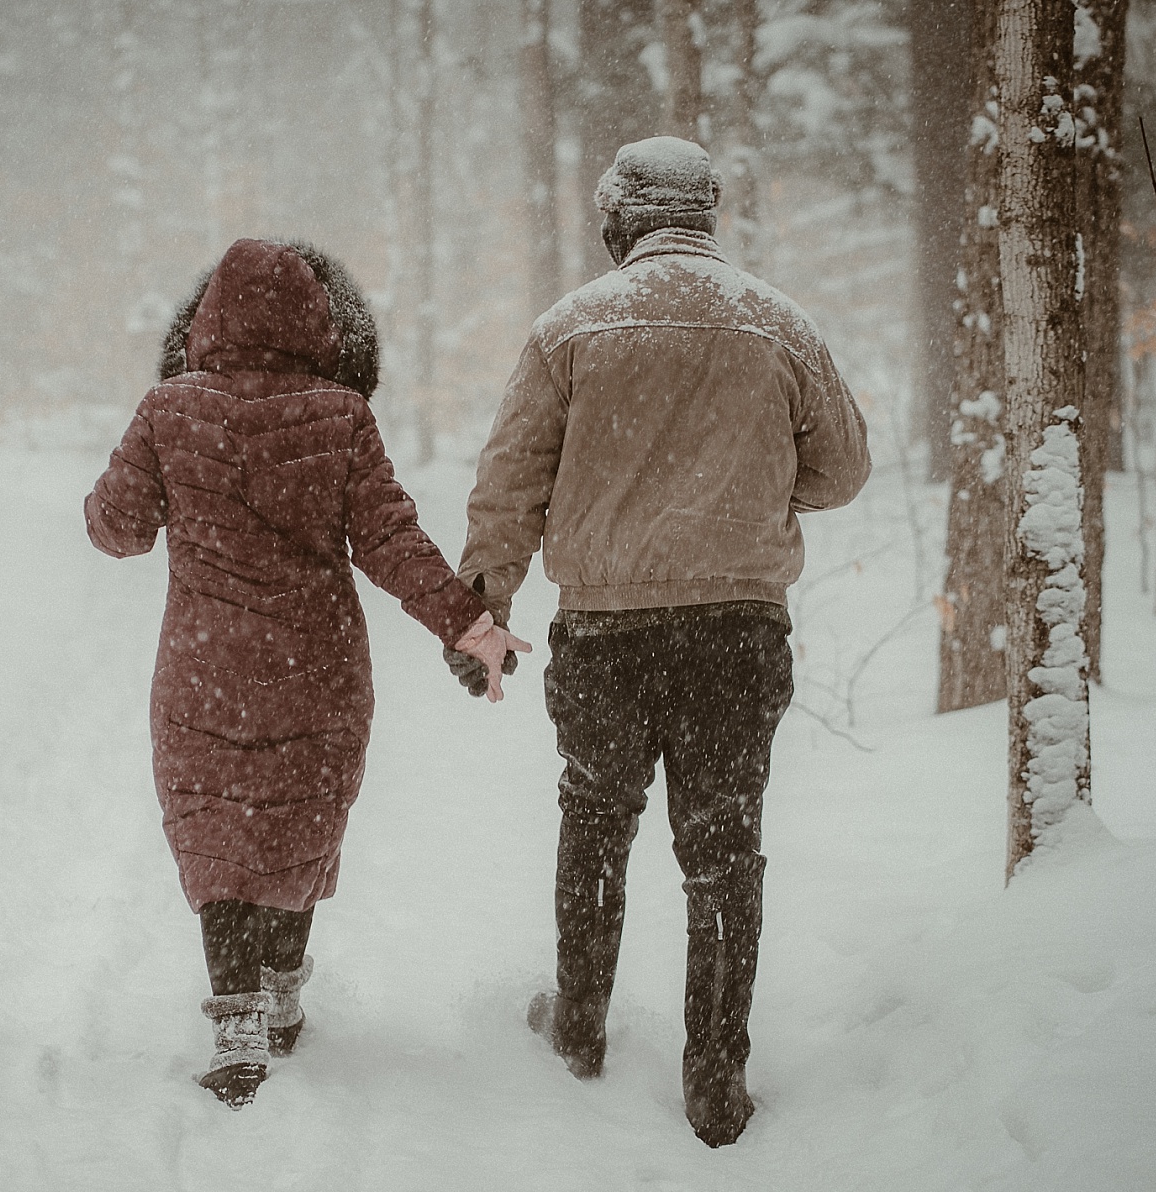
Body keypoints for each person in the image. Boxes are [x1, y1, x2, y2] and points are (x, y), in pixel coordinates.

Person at [450, 137, 871, 1146]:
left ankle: (582, 1032)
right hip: (736, 627)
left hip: (605, 629)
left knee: (596, 816)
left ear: (618, 221)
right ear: (706, 215)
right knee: (723, 849)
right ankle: (717, 1079)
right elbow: (844, 470)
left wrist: (484, 605)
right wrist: (755, 487)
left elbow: (511, 482)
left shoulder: (571, 329)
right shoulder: (778, 324)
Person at [86, 237, 528, 1109]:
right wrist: (470, 623)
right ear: (318, 323)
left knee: (216, 831)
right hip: (316, 667)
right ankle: (283, 983)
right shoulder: (340, 416)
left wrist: (134, 489)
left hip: (204, 666)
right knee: (298, 817)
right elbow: (392, 541)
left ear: (207, 317)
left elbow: (117, 530)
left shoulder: (167, 409)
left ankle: (236, 1014)